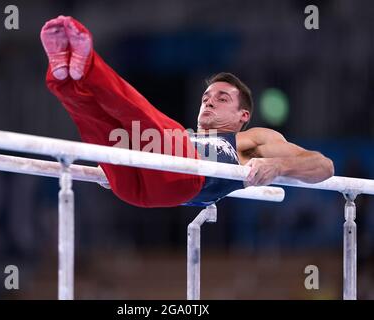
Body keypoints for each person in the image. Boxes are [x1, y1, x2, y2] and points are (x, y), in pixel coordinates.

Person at [40, 16, 334, 208]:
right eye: (206, 97)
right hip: (138, 186)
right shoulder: (184, 139)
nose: (208, 101)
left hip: (184, 182)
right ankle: (64, 76)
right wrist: (116, 166)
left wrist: (279, 167)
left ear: (243, 116)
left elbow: (324, 166)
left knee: (137, 114)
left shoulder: (252, 140)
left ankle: (88, 65)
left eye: (221, 98)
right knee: (99, 125)